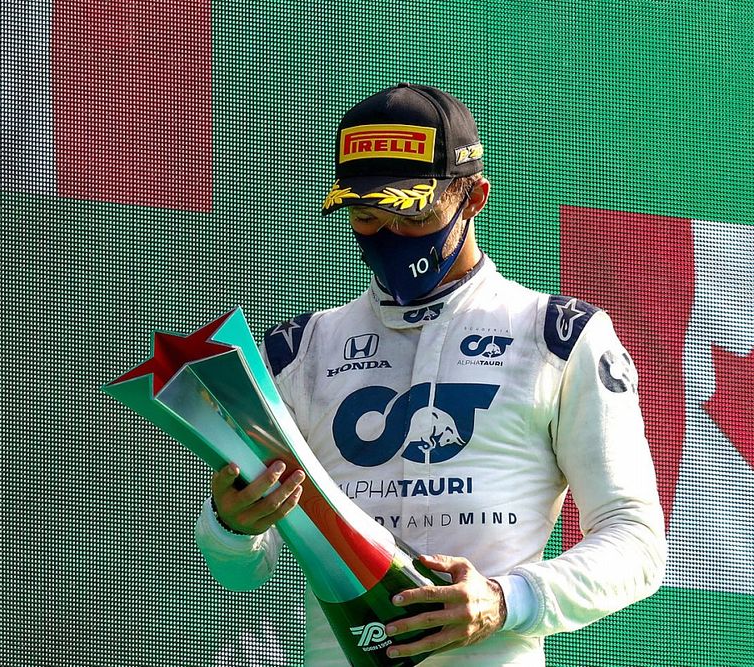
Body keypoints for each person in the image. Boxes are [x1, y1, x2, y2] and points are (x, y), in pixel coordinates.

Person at [194, 83, 666, 666]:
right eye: (366, 216)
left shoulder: (557, 335)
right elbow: (240, 572)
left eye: (411, 211)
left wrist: (504, 599)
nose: (389, 234)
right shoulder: (300, 351)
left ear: (474, 198)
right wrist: (231, 526)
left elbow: (639, 544)